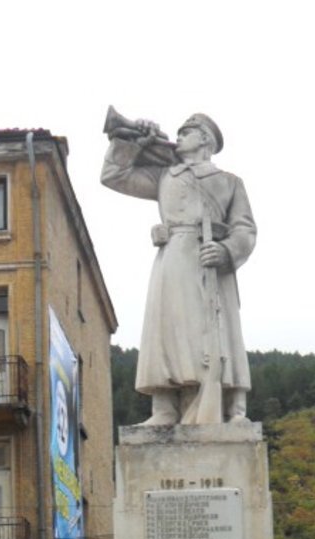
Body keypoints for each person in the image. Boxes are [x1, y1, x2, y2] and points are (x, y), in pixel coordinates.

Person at [101, 111, 256, 426]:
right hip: (173, 259)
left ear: (205, 139)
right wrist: (131, 143)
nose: (179, 136)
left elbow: (245, 228)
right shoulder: (165, 176)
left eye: (186, 132)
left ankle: (232, 407)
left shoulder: (229, 182)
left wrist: (227, 251)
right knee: (168, 329)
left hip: (211, 260)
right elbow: (113, 176)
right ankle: (165, 408)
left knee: (220, 332)